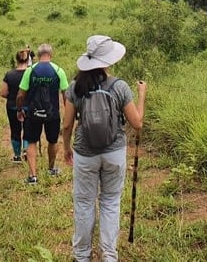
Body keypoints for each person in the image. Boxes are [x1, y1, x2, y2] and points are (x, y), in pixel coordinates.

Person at [62, 35, 146, 262]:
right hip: (114, 152)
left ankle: (81, 255)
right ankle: (109, 255)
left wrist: (66, 148)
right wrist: (141, 95)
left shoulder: (74, 87)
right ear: (109, 60)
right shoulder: (119, 87)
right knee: (110, 202)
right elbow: (137, 123)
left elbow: (68, 124)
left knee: (84, 202)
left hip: (84, 153)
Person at [16, 43, 69, 184]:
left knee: (31, 141)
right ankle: (51, 169)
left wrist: (20, 109)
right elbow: (66, 95)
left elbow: (21, 94)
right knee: (52, 141)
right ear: (51, 55)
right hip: (52, 114)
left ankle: (33, 176)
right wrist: (67, 113)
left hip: (33, 114)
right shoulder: (59, 70)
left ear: (38, 55)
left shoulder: (30, 70)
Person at [0, 48, 31, 162]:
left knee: (15, 130)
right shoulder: (31, 73)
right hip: (29, 106)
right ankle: (27, 151)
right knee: (28, 130)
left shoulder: (9, 74)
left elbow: (3, 92)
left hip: (12, 106)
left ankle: (17, 156)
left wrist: (12, 96)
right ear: (28, 60)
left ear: (16, 60)